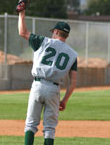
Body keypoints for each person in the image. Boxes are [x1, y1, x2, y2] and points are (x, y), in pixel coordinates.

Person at [18, 9, 78, 145]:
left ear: (56, 32)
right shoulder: (73, 54)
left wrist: (21, 13)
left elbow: (22, 32)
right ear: (66, 35)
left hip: (38, 85)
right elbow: (73, 82)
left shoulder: (43, 42)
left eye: (53, 32)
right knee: (50, 127)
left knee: (31, 124)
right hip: (54, 89)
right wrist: (64, 101)